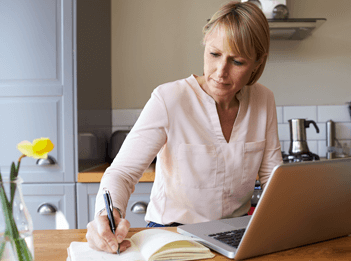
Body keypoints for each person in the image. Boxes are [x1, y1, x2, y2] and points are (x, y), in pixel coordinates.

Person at [86, 0, 282, 254]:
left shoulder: (263, 100)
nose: (220, 71)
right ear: (205, 47)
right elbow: (122, 173)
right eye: (214, 54)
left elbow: (272, 179)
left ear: (258, 63)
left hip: (236, 235)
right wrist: (107, 214)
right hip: (173, 234)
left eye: (237, 62)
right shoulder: (169, 99)